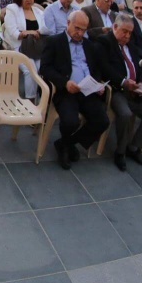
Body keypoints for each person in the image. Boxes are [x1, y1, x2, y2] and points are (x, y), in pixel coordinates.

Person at [40, 11, 111, 170]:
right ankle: (66, 147)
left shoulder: (88, 45)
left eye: (84, 30)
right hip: (66, 91)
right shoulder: (54, 42)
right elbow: (45, 68)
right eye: (77, 28)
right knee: (71, 121)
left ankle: (65, 143)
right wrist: (65, 83)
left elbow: (95, 68)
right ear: (68, 23)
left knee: (102, 121)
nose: (80, 33)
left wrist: (98, 83)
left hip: (87, 90)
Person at [98, 14, 142, 170]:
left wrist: (141, 84)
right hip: (117, 90)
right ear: (115, 27)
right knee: (125, 114)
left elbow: (139, 68)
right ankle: (120, 152)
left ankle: (134, 147)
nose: (127, 36)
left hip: (134, 91)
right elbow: (104, 68)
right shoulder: (105, 42)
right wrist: (123, 82)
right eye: (124, 31)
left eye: (130, 32)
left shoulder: (131, 46)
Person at [3, 0, 50, 101]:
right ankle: (30, 99)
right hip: (19, 48)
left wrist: (35, 31)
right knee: (31, 70)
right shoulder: (12, 9)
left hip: (36, 48)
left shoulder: (38, 11)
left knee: (43, 68)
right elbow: (13, 33)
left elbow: (46, 28)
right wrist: (27, 32)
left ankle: (42, 99)